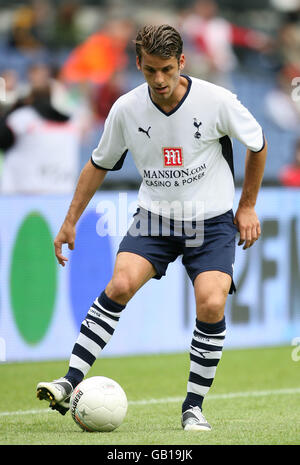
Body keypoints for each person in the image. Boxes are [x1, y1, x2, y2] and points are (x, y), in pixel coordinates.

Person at [36, 24, 267, 431]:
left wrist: (246, 206)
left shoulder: (216, 101)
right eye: (149, 71)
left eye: (166, 70)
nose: (158, 80)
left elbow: (258, 143)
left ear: (182, 62)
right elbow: (98, 164)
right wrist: (70, 221)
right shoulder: (126, 109)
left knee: (212, 303)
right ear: (138, 64)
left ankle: (193, 406)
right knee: (121, 283)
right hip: (155, 218)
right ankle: (69, 381)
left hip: (211, 221)